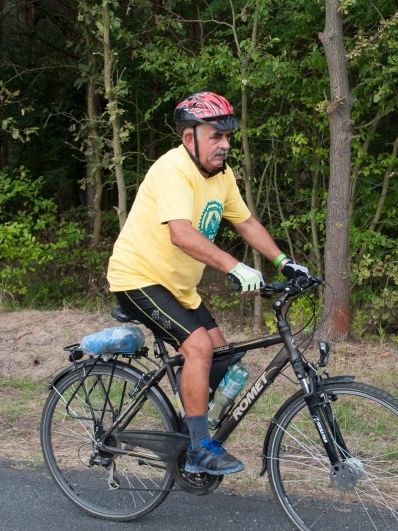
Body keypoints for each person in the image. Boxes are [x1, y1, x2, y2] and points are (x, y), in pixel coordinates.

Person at [106, 91, 309, 475]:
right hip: (138, 278)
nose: (225, 144)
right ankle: (199, 447)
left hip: (178, 287)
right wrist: (236, 267)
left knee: (222, 355)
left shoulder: (222, 176)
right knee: (199, 348)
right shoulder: (173, 170)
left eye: (227, 136)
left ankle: (188, 425)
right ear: (189, 138)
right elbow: (181, 234)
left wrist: (285, 263)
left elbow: (245, 222)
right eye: (215, 136)